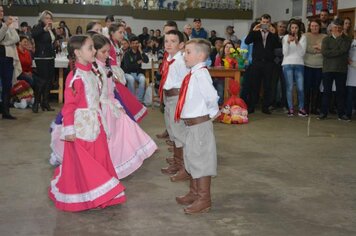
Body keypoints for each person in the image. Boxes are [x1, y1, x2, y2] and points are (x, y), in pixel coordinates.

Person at [48, 35, 126, 212]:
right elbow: (69, 107)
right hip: (82, 129)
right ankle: (91, 195)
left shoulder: (92, 72)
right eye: (90, 48)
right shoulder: (75, 77)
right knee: (85, 165)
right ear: (77, 52)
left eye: (93, 47)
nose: (94, 51)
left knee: (99, 160)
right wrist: (69, 130)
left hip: (96, 124)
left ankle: (100, 196)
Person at [92, 34, 158, 178]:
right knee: (110, 140)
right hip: (101, 110)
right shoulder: (93, 70)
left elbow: (110, 91)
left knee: (127, 128)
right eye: (103, 52)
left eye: (108, 51)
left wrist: (116, 103)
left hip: (111, 106)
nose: (107, 54)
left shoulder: (106, 66)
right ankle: (110, 166)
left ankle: (125, 160)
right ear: (93, 51)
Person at [174, 38, 219, 214]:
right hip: (191, 125)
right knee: (192, 158)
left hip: (199, 124)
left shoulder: (201, 74)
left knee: (202, 160)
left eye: (188, 52)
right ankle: (194, 192)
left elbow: (212, 97)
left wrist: (210, 115)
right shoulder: (192, 73)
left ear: (200, 55)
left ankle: (204, 199)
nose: (185, 55)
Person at [159, 30, 190, 182]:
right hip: (169, 97)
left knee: (180, 134)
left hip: (178, 97)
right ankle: (177, 161)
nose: (169, 44)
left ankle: (184, 167)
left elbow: (187, 83)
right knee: (172, 131)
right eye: (166, 41)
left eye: (173, 41)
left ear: (181, 45)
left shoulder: (180, 61)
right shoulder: (169, 58)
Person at [244, 14, 279, 114]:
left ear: (270, 23)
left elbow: (277, 46)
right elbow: (247, 41)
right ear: (260, 22)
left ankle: (265, 107)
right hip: (257, 63)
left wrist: (274, 33)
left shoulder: (273, 33)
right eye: (263, 22)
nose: (265, 24)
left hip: (269, 63)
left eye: (267, 22)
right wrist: (253, 31)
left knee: (268, 86)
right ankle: (251, 106)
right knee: (254, 85)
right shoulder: (256, 32)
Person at [318, 19, 352, 121]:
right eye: (335, 27)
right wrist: (338, 52)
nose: (337, 29)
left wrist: (339, 38)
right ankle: (323, 113)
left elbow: (344, 50)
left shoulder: (347, 39)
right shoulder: (326, 40)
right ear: (331, 28)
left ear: (342, 28)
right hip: (328, 69)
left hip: (341, 70)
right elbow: (325, 53)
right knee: (326, 92)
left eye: (339, 27)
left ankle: (341, 114)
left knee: (340, 93)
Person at [31, 10, 56, 113]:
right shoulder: (39, 27)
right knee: (42, 81)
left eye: (50, 18)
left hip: (50, 57)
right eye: (47, 18)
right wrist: (44, 29)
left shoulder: (51, 29)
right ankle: (36, 103)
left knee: (49, 80)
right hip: (41, 57)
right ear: (42, 19)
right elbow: (34, 35)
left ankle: (45, 102)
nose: (49, 20)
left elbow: (51, 41)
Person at [282, 20, 307, 117]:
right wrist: (287, 43)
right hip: (287, 64)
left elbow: (302, 53)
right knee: (290, 87)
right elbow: (285, 53)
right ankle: (290, 108)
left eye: (296, 28)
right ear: (290, 28)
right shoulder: (285, 37)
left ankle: (301, 108)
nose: (294, 29)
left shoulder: (303, 38)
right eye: (292, 28)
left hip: (299, 64)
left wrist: (297, 42)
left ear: (299, 28)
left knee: (300, 88)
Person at [0, 7, 20, 120]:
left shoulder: (5, 24)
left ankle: (5, 111)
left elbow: (16, 38)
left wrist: (4, 42)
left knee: (7, 85)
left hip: (7, 58)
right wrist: (5, 27)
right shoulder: (4, 25)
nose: (1, 13)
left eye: (2, 11)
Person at [304, 19, 326, 115]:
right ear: (310, 26)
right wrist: (317, 49)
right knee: (307, 87)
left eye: (316, 25)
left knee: (316, 88)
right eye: (312, 26)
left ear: (319, 26)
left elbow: (325, 49)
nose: (314, 27)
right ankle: (306, 108)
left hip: (319, 66)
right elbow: (305, 48)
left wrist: (317, 48)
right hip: (307, 65)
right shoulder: (305, 36)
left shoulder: (325, 37)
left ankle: (314, 108)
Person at [122, 36, 148, 103]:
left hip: (137, 73)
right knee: (131, 79)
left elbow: (146, 60)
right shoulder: (127, 54)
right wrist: (138, 62)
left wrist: (140, 50)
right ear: (130, 44)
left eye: (136, 43)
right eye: (133, 43)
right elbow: (128, 66)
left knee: (143, 79)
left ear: (138, 44)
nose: (135, 45)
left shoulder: (140, 52)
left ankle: (139, 100)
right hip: (128, 73)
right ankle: (132, 99)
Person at [214, 41, 237, 105]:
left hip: (231, 79)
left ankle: (231, 105)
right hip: (220, 79)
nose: (228, 49)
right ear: (224, 49)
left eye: (230, 47)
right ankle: (219, 105)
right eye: (226, 47)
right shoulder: (219, 58)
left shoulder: (236, 59)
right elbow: (216, 70)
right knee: (220, 87)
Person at [346, 29, 356, 119]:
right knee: (350, 94)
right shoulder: (350, 43)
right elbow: (346, 55)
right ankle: (348, 114)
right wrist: (351, 62)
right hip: (351, 72)